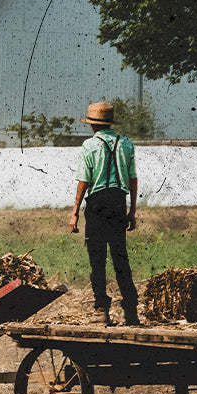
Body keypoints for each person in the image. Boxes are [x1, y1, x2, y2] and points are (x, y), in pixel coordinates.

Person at [68, 102, 140, 326]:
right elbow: (133, 178)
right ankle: (131, 311)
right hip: (119, 202)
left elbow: (84, 180)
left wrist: (75, 213)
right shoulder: (126, 143)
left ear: (92, 126)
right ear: (110, 123)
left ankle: (101, 310)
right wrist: (132, 211)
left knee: (97, 260)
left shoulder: (89, 146)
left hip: (97, 204)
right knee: (121, 259)